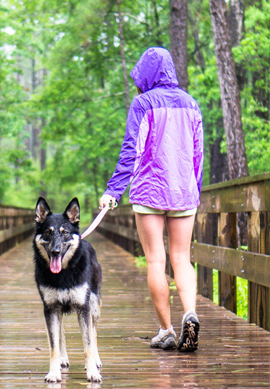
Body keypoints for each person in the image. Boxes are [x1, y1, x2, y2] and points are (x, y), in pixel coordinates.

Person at [99, 47, 203, 352]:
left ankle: (166, 330)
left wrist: (113, 191)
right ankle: (189, 313)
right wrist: (193, 189)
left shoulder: (142, 103)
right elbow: (198, 154)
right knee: (182, 258)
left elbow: (131, 149)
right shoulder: (191, 104)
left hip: (150, 190)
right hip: (184, 191)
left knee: (156, 260)